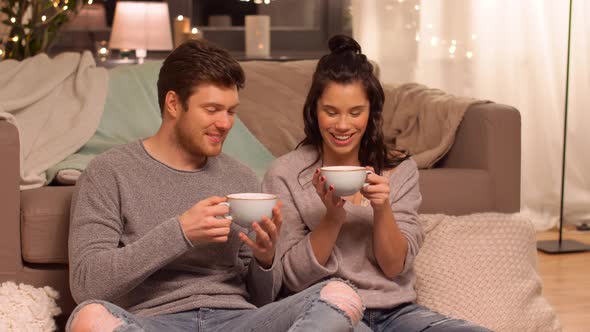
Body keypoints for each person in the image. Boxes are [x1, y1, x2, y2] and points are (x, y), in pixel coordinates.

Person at [66, 40, 365, 332]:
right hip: (154, 320)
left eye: (231, 111)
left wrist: (265, 259)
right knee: (89, 319)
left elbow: (262, 299)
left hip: (238, 320)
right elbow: (86, 284)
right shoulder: (108, 172)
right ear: (173, 104)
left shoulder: (242, 179)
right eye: (212, 110)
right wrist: (180, 232)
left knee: (339, 296)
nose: (225, 123)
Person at [262, 35, 491, 332]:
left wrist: (382, 208)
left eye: (355, 112)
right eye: (331, 112)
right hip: (327, 310)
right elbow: (291, 277)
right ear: (314, 110)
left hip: (397, 314)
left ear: (371, 114)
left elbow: (395, 266)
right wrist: (332, 218)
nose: (342, 125)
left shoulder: (398, 170)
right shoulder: (286, 174)